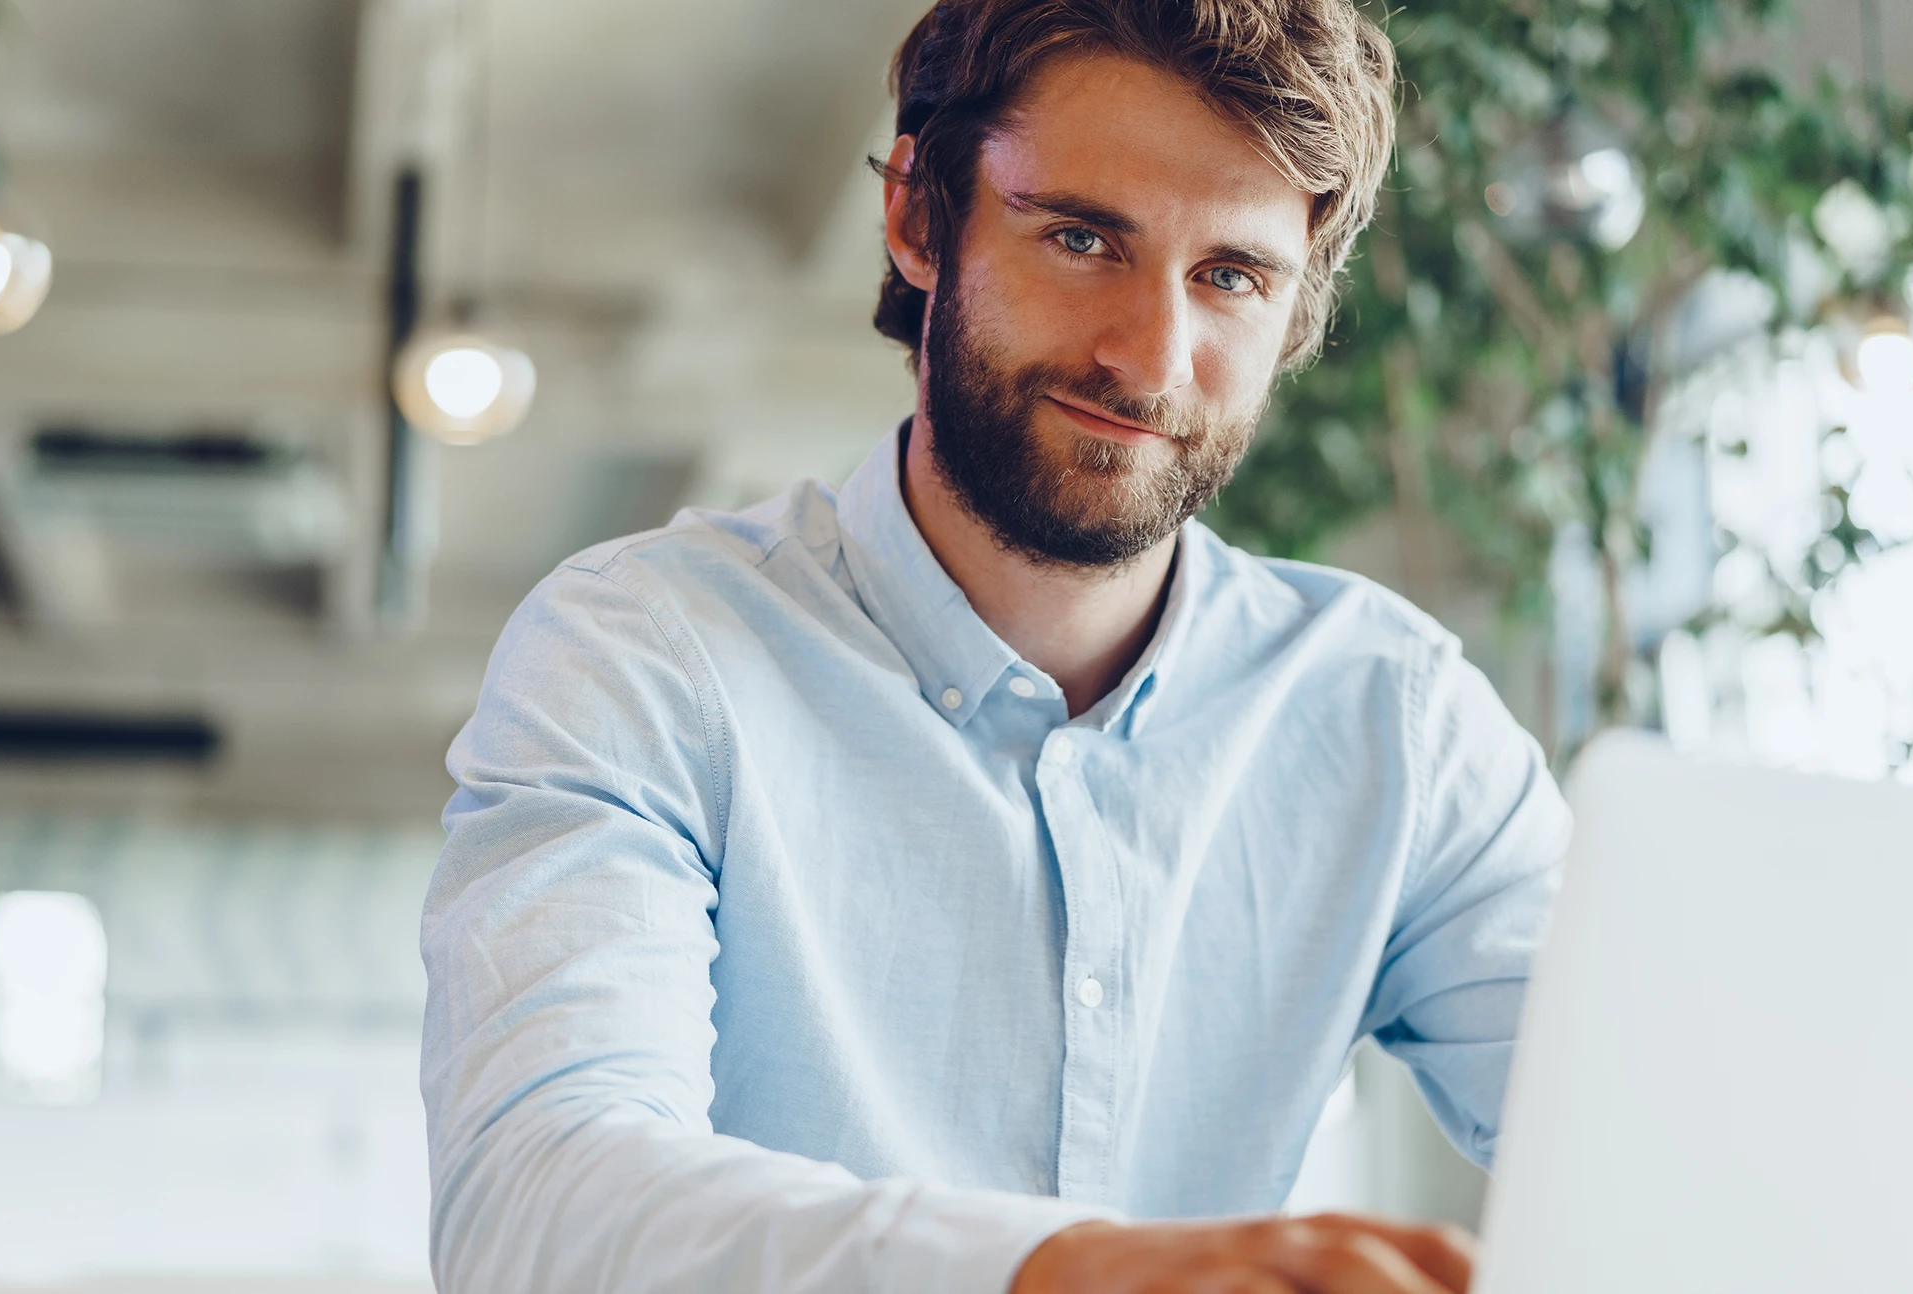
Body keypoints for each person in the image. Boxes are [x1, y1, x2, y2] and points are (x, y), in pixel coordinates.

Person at [419, 1, 1568, 1290]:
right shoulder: (643, 654)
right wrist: (1061, 1271)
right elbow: (537, 1202)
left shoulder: (1395, 720)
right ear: (919, 215)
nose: (1152, 357)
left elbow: (1667, 1128)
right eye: (1081, 237)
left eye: (1231, 276)